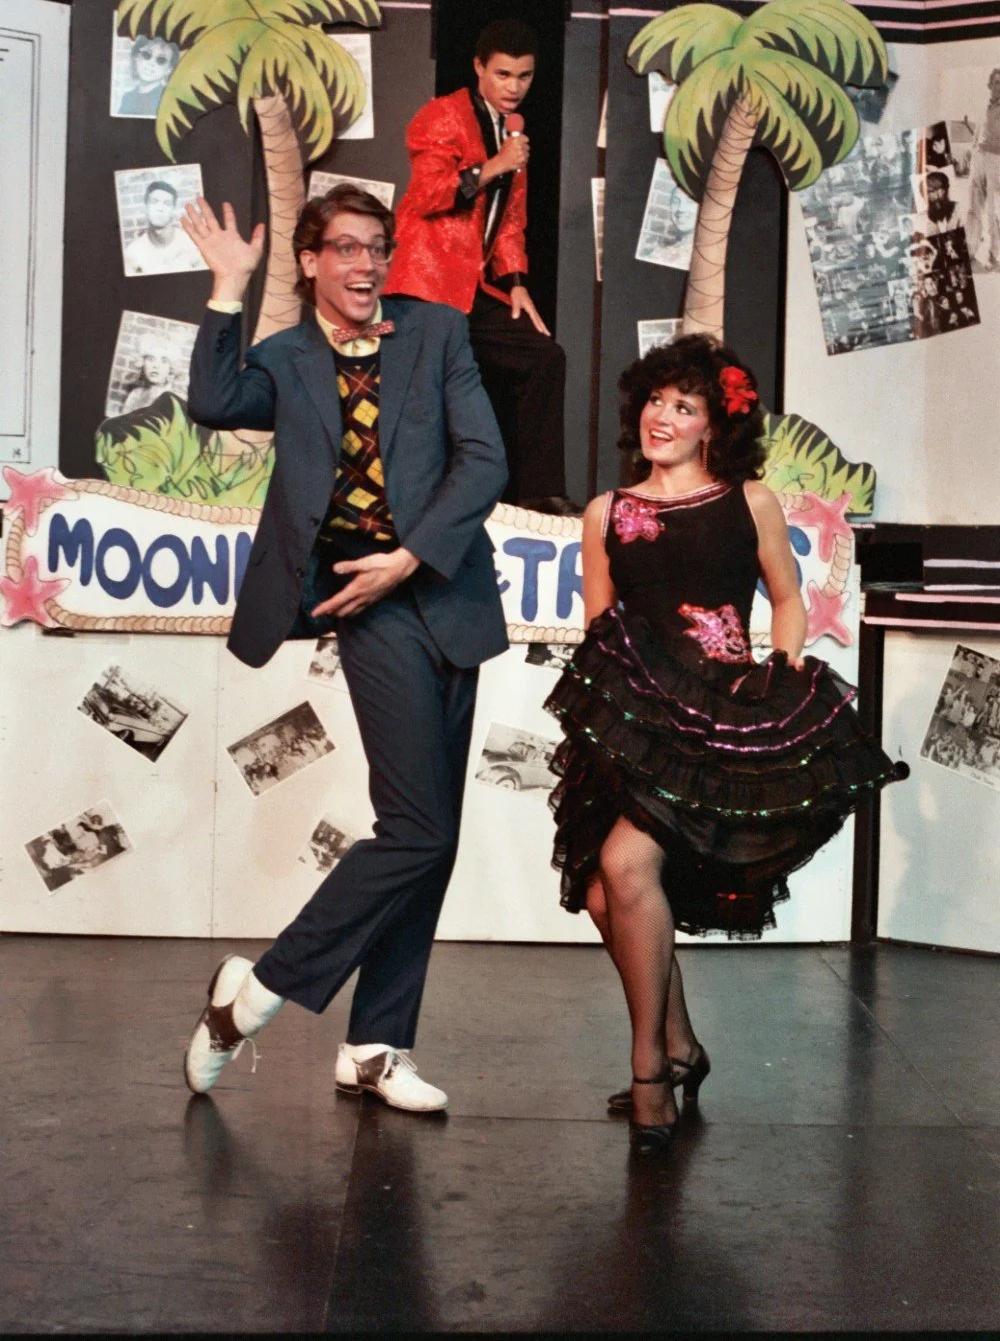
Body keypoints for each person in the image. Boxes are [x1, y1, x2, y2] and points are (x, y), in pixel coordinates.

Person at [178, 183, 508, 1113]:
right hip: (364, 604)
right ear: (313, 262)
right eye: (348, 251)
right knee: (415, 826)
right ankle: (260, 990)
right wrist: (225, 289)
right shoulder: (283, 358)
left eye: (378, 248)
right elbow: (210, 400)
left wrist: (411, 557)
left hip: (442, 589)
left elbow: (483, 457)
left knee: (430, 844)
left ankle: (375, 1045)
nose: (367, 266)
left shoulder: (437, 333)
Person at [543, 335, 908, 1153]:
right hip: (637, 717)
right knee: (604, 894)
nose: (661, 418)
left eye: (684, 406)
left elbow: (786, 597)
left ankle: (649, 1072)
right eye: (655, 401)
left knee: (628, 868)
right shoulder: (606, 512)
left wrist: (778, 673)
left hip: (720, 711)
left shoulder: (748, 501)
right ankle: (682, 1045)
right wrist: (607, 720)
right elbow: (599, 628)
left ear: (713, 425)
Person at [384, 19, 576, 512]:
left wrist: (514, 283)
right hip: (425, 287)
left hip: (474, 289)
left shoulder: (512, 135)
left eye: (525, 77)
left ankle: (537, 495)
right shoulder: (441, 116)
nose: (514, 88)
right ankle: (409, 500)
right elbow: (426, 195)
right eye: (504, 74)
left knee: (543, 357)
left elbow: (510, 221)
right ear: (478, 68)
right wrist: (496, 164)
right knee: (426, 397)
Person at [123, 180, 204, 276]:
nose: (160, 208)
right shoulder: (132, 253)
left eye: (167, 203)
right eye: (154, 202)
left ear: (173, 209)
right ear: (146, 206)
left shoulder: (192, 244)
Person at [966, 68, 1000, 270]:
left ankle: (994, 253)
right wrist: (972, 151)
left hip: (995, 159)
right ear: (989, 85)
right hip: (978, 157)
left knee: (992, 209)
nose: (997, 86)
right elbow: (978, 131)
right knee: (973, 205)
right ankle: (970, 247)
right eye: (995, 82)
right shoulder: (983, 106)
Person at [118, 34, 180, 117]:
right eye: (146, 55)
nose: (151, 63)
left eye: (161, 60)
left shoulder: (167, 100)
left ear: (168, 70)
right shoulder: (127, 98)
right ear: (136, 57)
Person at [121, 341, 177, 412]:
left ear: (170, 368)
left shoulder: (175, 401)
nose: (156, 365)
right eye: (151, 359)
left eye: (164, 361)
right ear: (142, 363)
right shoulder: (135, 395)